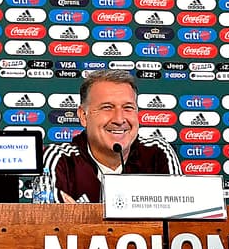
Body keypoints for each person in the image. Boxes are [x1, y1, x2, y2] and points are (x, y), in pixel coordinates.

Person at [43, 70, 181, 203]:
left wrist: (82, 215)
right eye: (107, 107)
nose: (119, 119)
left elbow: (180, 216)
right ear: (83, 116)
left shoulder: (158, 152)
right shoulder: (60, 159)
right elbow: (50, 219)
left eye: (128, 108)